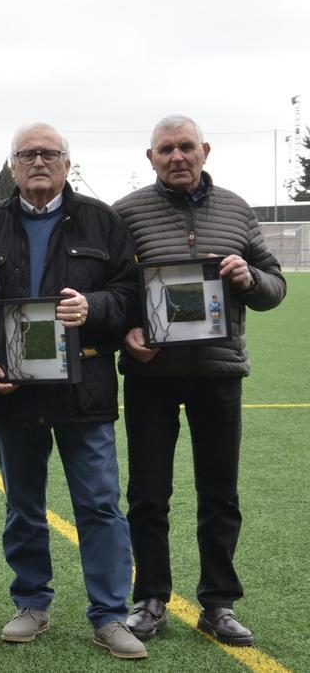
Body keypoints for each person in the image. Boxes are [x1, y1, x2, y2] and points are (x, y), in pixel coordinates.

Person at [114, 114, 286, 647]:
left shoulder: (237, 209)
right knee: (147, 493)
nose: (177, 157)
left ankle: (218, 602)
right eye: (165, 149)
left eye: (185, 147)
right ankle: (150, 598)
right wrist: (126, 330)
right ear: (151, 158)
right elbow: (110, 291)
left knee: (220, 494)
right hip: (152, 375)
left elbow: (275, 286)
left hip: (218, 372)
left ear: (205, 150)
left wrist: (248, 277)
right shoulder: (125, 214)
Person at [0, 123, 145, 659]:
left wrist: (94, 307)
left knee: (99, 504)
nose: (38, 161)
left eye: (49, 153)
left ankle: (111, 614)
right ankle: (31, 602)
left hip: (84, 389)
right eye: (27, 154)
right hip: (12, 391)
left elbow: (131, 296)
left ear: (67, 163)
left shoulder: (103, 221)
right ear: (13, 164)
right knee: (23, 504)